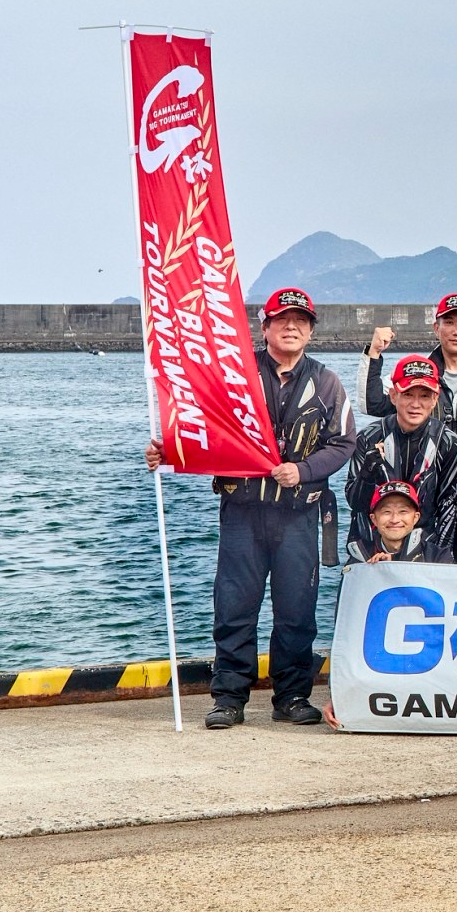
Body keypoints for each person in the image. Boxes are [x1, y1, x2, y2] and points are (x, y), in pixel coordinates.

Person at [144, 286, 355, 730]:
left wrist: (303, 470)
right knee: (234, 606)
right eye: (282, 320)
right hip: (242, 511)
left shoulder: (328, 383)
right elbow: (202, 428)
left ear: (311, 331)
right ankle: (229, 698)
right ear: (264, 327)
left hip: (298, 516)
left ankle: (292, 696)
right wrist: (169, 451)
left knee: (297, 610)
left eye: (301, 321)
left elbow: (343, 444)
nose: (291, 326)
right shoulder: (234, 377)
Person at [342, 355, 457, 559]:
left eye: (424, 396)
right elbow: (354, 503)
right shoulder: (368, 437)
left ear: (435, 399)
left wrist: (439, 556)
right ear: (393, 396)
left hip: (425, 548)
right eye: (408, 394)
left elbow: (448, 506)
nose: (416, 404)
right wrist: (366, 475)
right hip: (371, 547)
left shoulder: (448, 442)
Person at [360, 291, 457, 451]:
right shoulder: (414, 372)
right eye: (449, 322)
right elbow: (372, 404)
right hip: (425, 465)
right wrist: (374, 352)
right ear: (436, 328)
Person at [345, 481, 447, 565]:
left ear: (415, 517)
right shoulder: (360, 556)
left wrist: (395, 563)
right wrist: (376, 569)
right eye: (387, 512)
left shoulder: (438, 556)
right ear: (374, 519)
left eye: (403, 511)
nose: (394, 520)